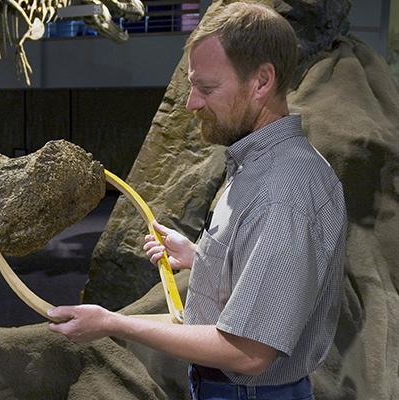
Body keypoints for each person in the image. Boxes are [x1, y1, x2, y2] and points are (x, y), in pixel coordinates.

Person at [47, 2, 347, 399]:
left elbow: (247, 352)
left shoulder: (284, 191)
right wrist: (200, 255)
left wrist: (112, 324)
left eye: (206, 88)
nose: (191, 103)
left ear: (262, 82)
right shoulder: (254, 166)